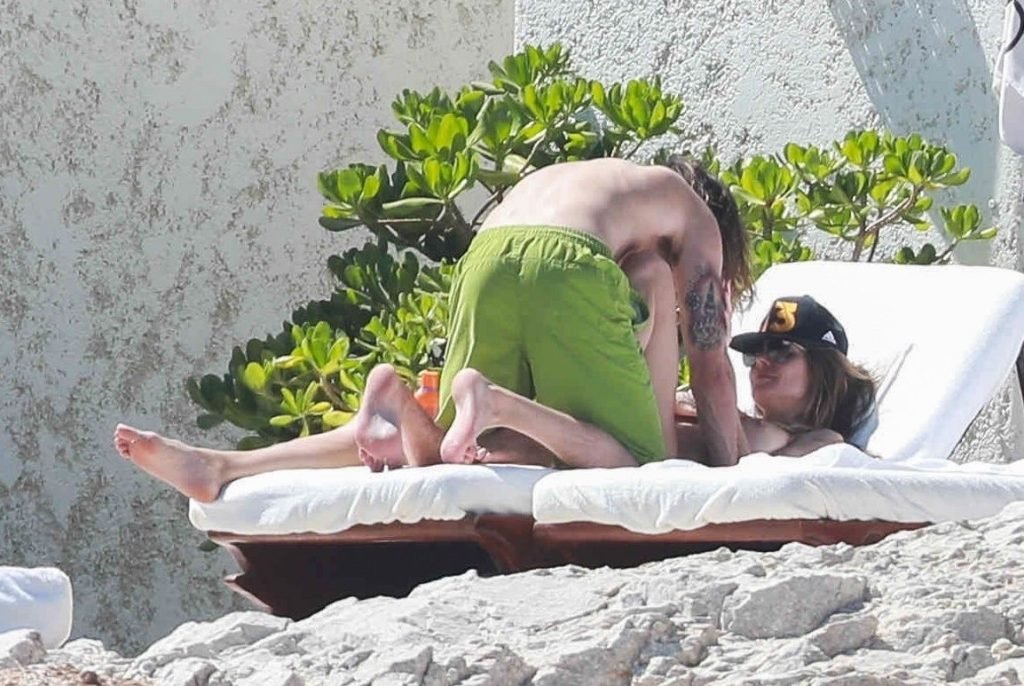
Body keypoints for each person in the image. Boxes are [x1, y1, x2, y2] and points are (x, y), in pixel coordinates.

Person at [116, 155, 755, 499]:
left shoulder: (596, 182)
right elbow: (712, 368)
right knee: (635, 470)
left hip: (485, 257)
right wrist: (732, 483)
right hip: (567, 263)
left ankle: (223, 465)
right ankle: (489, 401)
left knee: (465, 446)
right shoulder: (694, 215)